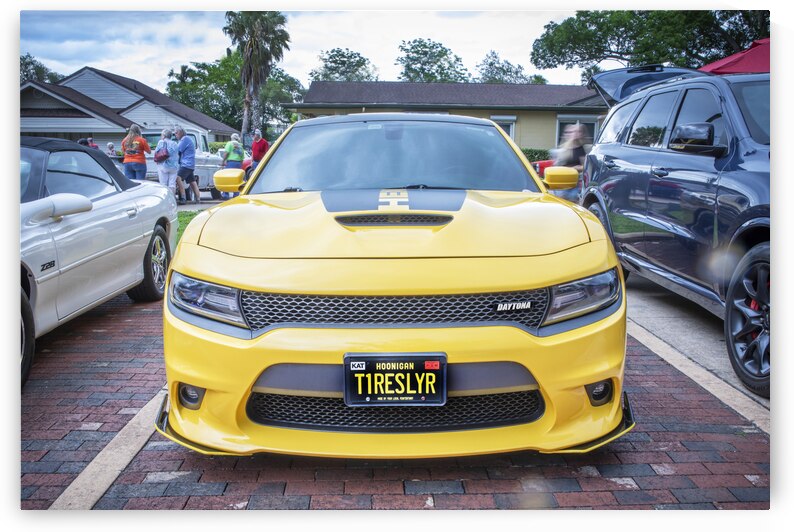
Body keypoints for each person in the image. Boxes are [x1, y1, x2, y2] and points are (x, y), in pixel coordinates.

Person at [551, 123, 589, 202]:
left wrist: (574, 168)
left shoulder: (581, 149)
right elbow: (556, 166)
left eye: (577, 132)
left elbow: (584, 166)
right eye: (569, 132)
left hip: (573, 183)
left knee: (572, 203)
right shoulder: (562, 149)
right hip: (560, 183)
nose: (574, 134)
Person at [154, 128, 184, 203]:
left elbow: (156, 152)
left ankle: (165, 200)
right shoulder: (175, 143)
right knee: (172, 184)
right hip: (174, 167)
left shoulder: (161, 142)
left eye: (162, 135)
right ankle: (172, 200)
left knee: (163, 183)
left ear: (164, 135)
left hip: (163, 165)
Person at [174, 126, 201, 204]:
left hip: (186, 164)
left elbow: (177, 150)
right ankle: (198, 199)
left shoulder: (184, 139)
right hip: (190, 164)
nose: (175, 134)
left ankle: (183, 197)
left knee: (178, 178)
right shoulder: (188, 139)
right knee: (192, 181)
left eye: (176, 133)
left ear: (181, 132)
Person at [221, 133, 245, 199]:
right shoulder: (240, 146)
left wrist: (223, 161)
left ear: (231, 138)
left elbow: (226, 153)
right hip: (238, 163)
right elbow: (242, 157)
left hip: (231, 163)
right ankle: (236, 194)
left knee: (227, 178)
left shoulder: (229, 143)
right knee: (236, 179)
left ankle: (225, 194)